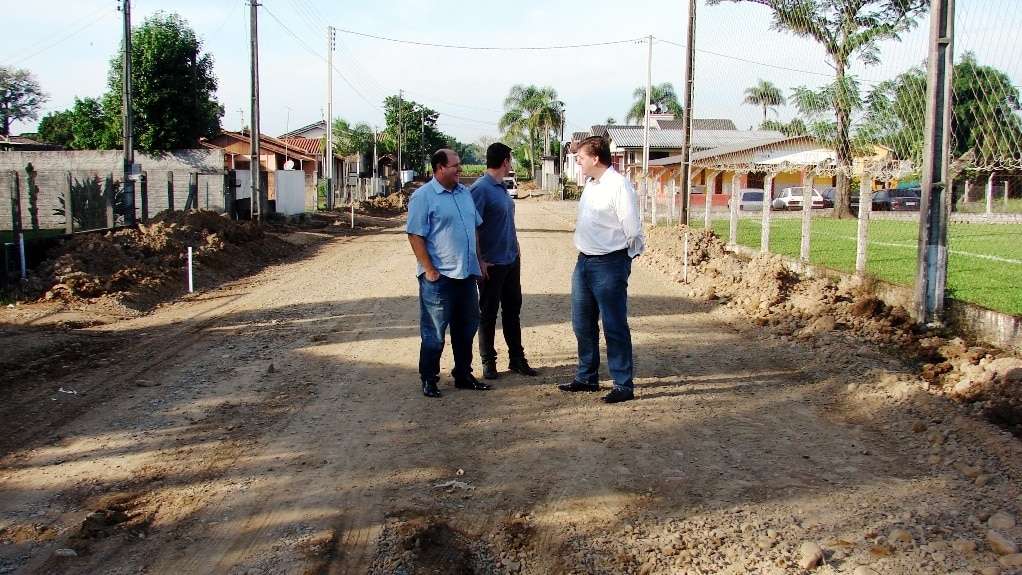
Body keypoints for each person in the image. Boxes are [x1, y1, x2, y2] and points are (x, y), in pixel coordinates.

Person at [559, 136, 645, 403]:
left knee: (613, 325)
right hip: (584, 262)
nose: (578, 162)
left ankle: (623, 384)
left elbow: (633, 231)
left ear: (595, 158)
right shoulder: (592, 185)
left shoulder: (619, 186)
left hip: (609, 263)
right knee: (582, 322)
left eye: (581, 158)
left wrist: (623, 262)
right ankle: (586, 377)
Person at [407, 149, 490, 398]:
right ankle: (429, 379)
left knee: (466, 329)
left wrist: (479, 260)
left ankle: (463, 374)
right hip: (439, 278)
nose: (460, 170)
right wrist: (429, 270)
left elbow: (474, 229)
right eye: (455, 166)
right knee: (434, 333)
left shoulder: (464, 194)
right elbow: (415, 235)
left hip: (465, 276)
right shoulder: (423, 197)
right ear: (440, 168)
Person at [470, 143, 538, 380]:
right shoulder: (481, 189)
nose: (512, 163)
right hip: (492, 263)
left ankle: (517, 359)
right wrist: (479, 260)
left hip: (510, 259)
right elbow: (473, 227)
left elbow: (507, 221)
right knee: (488, 313)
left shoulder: (500, 188)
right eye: (511, 159)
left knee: (512, 311)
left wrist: (516, 246)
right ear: (505, 161)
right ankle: (488, 362)